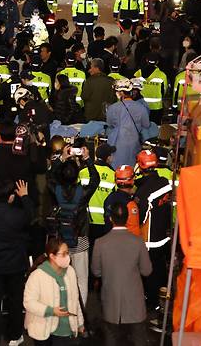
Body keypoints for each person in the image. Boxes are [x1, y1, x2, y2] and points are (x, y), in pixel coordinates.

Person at [0, 180, 34, 346]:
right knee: (15, 301)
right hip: (15, 266)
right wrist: (24, 197)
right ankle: (15, 336)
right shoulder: (18, 215)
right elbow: (31, 214)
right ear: (11, 197)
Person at [92, 203, 152, 346]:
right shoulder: (138, 242)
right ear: (128, 218)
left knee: (111, 339)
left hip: (111, 302)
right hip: (134, 303)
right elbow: (146, 270)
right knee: (139, 339)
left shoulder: (100, 243)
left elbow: (96, 271)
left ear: (111, 219)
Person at [49, 145, 99, 307]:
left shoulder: (55, 190)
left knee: (59, 276)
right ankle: (79, 311)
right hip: (80, 239)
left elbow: (50, 176)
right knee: (81, 279)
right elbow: (95, 180)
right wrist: (87, 159)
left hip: (60, 239)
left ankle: (59, 307)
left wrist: (61, 158)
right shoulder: (82, 193)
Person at [134, 149, 172, 320]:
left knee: (149, 274)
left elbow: (139, 218)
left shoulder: (142, 192)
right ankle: (163, 300)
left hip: (149, 241)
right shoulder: (165, 182)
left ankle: (153, 305)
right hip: (164, 236)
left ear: (140, 166)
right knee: (160, 271)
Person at [24, 238, 85, 345]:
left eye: (68, 253)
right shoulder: (37, 276)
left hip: (67, 330)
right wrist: (51, 311)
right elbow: (28, 302)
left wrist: (80, 323)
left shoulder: (70, 271)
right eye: (64, 254)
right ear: (52, 256)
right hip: (44, 330)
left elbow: (75, 300)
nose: (68, 257)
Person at [106, 79, 150, 169]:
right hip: (134, 145)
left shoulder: (112, 108)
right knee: (130, 171)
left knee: (116, 171)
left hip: (116, 145)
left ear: (121, 93)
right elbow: (146, 125)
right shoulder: (141, 108)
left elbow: (109, 124)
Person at [102, 165, 141, 236]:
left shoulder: (109, 198)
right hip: (126, 243)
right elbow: (134, 231)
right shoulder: (130, 204)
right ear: (132, 181)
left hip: (109, 240)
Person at [133, 52, 167, 124]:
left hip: (141, 106)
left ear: (146, 60)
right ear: (157, 62)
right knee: (156, 128)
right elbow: (164, 91)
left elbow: (134, 90)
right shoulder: (162, 75)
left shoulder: (138, 73)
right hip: (156, 108)